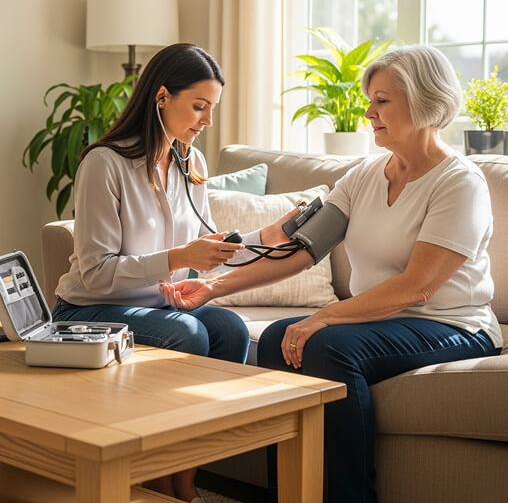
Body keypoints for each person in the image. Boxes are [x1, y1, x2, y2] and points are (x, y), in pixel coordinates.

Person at [160, 44, 503, 503]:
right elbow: (303, 251)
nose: (368, 112)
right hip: (382, 319)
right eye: (370, 99)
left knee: (327, 347)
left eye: (382, 100)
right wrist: (213, 286)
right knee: (283, 340)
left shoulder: (459, 181)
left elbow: (418, 285)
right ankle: (293, 494)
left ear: (424, 100)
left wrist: (324, 316)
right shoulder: (365, 175)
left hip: (451, 324)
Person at [52, 43, 294, 503]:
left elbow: (207, 248)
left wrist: (274, 233)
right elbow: (97, 273)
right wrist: (177, 255)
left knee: (228, 328)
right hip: (89, 307)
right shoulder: (104, 164)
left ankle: (185, 481)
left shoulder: (192, 163)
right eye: (199, 106)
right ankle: (156, 481)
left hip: (157, 306)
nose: (206, 121)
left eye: (212, 109)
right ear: (162, 95)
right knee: (188, 334)